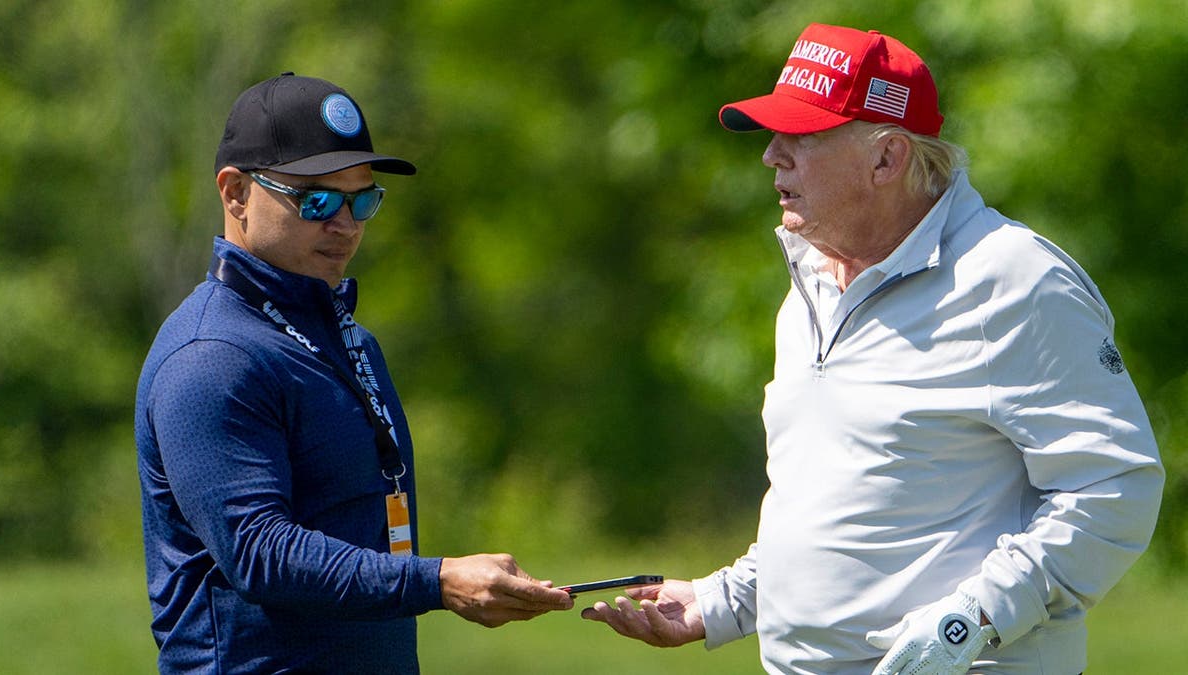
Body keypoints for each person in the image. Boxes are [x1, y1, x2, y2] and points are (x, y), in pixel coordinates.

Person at [582, 22, 1164, 674]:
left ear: (886, 158)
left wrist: (968, 624)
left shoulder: (1013, 279)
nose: (771, 155)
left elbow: (1115, 487)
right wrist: (725, 600)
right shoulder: (810, 289)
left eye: (799, 136)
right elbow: (840, 502)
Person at [135, 73, 573, 674]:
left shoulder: (346, 336)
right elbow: (258, 551)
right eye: (316, 199)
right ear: (235, 193)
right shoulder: (211, 354)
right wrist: (438, 581)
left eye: (361, 199)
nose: (345, 224)